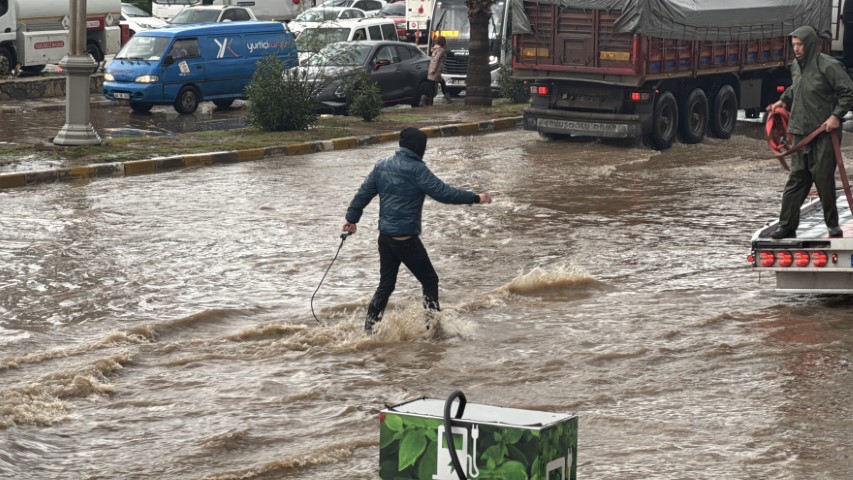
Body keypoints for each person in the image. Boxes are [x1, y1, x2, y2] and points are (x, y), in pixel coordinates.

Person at [341, 127, 492, 333]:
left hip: (385, 238)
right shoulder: (416, 170)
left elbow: (363, 194)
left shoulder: (381, 166)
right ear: (420, 148)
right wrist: (476, 198)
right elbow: (443, 193)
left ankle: (369, 332)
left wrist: (351, 219)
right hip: (405, 239)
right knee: (430, 280)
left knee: (385, 286)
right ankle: (433, 331)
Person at [765, 25, 853, 239]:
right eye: (793, 45)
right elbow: (797, 87)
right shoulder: (796, 66)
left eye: (800, 45)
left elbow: (848, 91)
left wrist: (835, 116)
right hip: (799, 133)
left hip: (823, 134)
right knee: (796, 180)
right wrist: (782, 101)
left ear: (810, 45)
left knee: (823, 179)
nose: (796, 49)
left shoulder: (829, 66)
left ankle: (832, 225)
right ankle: (787, 226)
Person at [423, 35, 451, 106]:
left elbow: (435, 61)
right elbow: (435, 60)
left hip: (434, 70)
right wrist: (433, 70)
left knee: (432, 85)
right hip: (436, 70)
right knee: (438, 84)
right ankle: (448, 99)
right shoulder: (439, 50)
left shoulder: (437, 50)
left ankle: (429, 101)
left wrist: (432, 70)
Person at [844, 0, 853, 69]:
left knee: (848, 43)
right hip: (848, 22)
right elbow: (845, 12)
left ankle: (848, 63)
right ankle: (848, 63)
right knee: (848, 43)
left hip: (848, 21)